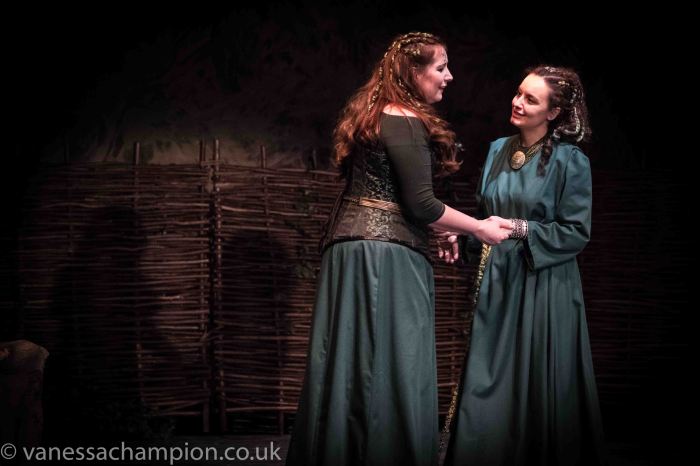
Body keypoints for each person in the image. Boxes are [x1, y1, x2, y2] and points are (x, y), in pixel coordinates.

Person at [285, 32, 511, 466]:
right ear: (413, 72)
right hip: (383, 256)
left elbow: (395, 197)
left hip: (353, 251)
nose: (449, 76)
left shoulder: (372, 115)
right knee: (390, 363)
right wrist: (478, 228)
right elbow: (421, 203)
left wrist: (441, 229)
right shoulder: (404, 117)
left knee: (350, 362)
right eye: (441, 67)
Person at [441, 65, 608, 465]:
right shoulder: (498, 149)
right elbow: (487, 218)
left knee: (533, 380)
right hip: (497, 280)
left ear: (553, 112)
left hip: (542, 284)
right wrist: (463, 234)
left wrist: (518, 227)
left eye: (531, 99)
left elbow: (575, 231)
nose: (517, 102)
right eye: (518, 93)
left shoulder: (570, 161)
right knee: (487, 377)